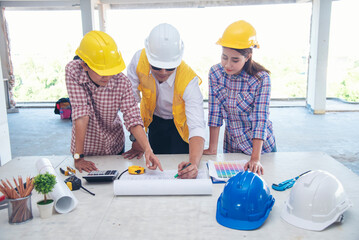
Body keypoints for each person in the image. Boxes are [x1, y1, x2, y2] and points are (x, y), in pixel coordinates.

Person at [65, 30, 162, 173]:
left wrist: (148, 149)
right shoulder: (73, 71)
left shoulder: (121, 82)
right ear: (84, 65)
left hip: (113, 145)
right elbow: (81, 114)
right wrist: (78, 158)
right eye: (101, 71)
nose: (107, 76)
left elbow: (132, 117)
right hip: (84, 148)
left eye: (111, 70)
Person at [123, 23, 206, 179]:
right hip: (154, 121)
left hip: (181, 128)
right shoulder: (138, 61)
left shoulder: (189, 81)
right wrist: (137, 139)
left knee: (180, 171)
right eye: (157, 66)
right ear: (148, 56)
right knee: (156, 171)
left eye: (169, 68)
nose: (163, 72)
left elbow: (197, 126)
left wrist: (194, 163)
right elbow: (130, 106)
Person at [203, 20, 276, 176]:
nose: (227, 64)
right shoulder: (215, 73)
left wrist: (255, 158)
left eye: (235, 60)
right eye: (224, 57)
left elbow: (260, 118)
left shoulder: (261, 79)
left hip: (261, 149)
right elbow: (215, 113)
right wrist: (212, 148)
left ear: (248, 56)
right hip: (232, 145)